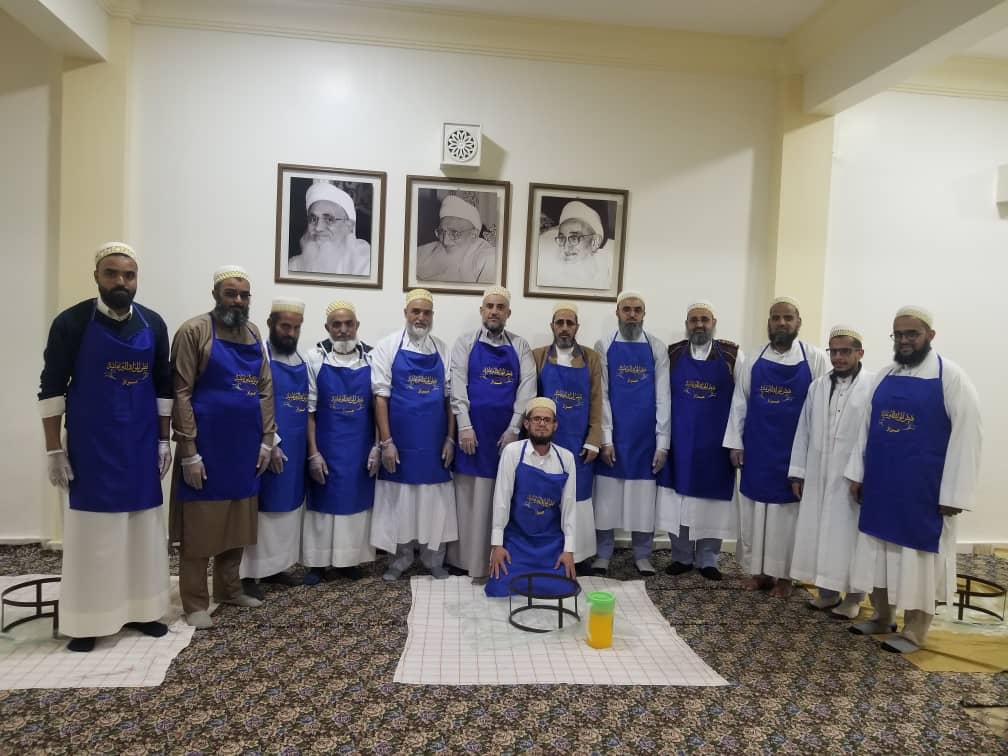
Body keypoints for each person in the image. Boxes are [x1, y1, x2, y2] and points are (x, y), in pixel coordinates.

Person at [38, 242, 172, 652]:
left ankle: (144, 611)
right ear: (96, 276)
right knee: (95, 538)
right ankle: (87, 622)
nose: (121, 282)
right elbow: (51, 387)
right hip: (91, 446)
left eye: (129, 275)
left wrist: (164, 440)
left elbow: (163, 387)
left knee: (142, 532)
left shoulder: (153, 323)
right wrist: (53, 450)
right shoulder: (72, 322)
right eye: (112, 273)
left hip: (140, 444)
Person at [846, 306, 981, 653]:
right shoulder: (885, 375)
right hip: (882, 485)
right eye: (899, 334)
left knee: (918, 563)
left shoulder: (951, 378)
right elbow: (865, 429)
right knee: (879, 556)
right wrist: (857, 474)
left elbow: (968, 437)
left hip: (923, 491)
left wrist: (954, 494)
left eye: (912, 334)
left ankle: (914, 632)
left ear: (930, 335)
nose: (904, 340)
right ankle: (882, 616)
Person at [170, 265, 275, 629]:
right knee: (200, 528)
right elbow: (181, 392)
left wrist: (267, 440)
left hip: (245, 447)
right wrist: (189, 451)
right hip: (207, 448)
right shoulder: (194, 331)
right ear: (216, 294)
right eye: (231, 293)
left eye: (244, 295)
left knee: (237, 524)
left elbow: (265, 389)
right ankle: (195, 602)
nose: (238, 300)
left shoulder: (254, 333)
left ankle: (229, 590)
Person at [724, 297, 829, 597]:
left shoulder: (814, 358)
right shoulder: (753, 358)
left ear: (798, 322)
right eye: (776, 317)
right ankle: (759, 573)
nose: (781, 323)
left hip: (794, 451)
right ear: (769, 322)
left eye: (788, 317)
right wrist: (735, 443)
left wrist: (814, 454)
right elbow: (740, 401)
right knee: (756, 513)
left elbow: (820, 407)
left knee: (787, 518)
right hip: (758, 447)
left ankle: (785, 577)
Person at [449, 286, 536, 578]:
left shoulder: (520, 346)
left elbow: (527, 389)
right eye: (490, 306)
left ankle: (498, 559)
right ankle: (466, 560)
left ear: (508, 312)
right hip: (473, 434)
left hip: (506, 435)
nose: (494, 311)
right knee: (471, 498)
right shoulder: (465, 343)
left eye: (500, 307)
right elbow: (458, 384)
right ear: (482, 311)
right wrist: (464, 426)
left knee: (503, 495)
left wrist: (514, 429)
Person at [370, 289, 457, 580]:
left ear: (432, 316)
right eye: (415, 311)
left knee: (434, 502)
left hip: (434, 441)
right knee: (400, 501)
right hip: (400, 441)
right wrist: (387, 442)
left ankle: (434, 560)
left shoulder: (443, 349)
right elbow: (380, 397)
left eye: (426, 312)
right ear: (406, 313)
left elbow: (449, 398)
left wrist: (450, 439)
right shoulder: (387, 346)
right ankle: (399, 560)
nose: (421, 317)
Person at [788, 326, 873, 618]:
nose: (838, 357)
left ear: (860, 353)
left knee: (850, 539)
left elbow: (872, 436)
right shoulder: (818, 386)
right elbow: (803, 431)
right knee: (820, 534)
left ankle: (854, 598)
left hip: (851, 477)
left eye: (844, 351)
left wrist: (863, 474)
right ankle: (827, 593)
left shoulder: (872, 386)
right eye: (833, 351)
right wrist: (798, 472)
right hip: (819, 473)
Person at [657, 301, 741, 581]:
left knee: (711, 504)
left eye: (704, 319)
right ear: (686, 324)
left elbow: (740, 401)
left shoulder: (732, 356)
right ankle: (681, 556)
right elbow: (662, 397)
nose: (699, 325)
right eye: (693, 320)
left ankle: (708, 559)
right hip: (680, 441)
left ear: (713, 322)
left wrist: (736, 442)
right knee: (678, 502)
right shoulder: (673, 354)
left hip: (715, 445)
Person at [593, 290, 670, 577]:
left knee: (643, 500)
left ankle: (643, 555)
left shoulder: (657, 347)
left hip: (645, 437)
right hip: (615, 435)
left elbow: (663, 396)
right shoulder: (603, 345)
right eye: (626, 310)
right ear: (617, 313)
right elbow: (603, 395)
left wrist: (662, 443)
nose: (632, 315)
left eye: (637, 310)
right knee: (606, 499)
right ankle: (603, 553)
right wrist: (606, 438)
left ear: (644, 314)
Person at [303, 300, 377, 583]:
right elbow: (309, 411)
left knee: (355, 502)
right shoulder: (314, 357)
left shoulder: (372, 357)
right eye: (337, 324)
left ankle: (349, 561)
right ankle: (317, 563)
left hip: (360, 446)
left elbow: (380, 405)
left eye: (349, 324)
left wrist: (377, 446)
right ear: (327, 327)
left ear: (357, 326)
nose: (343, 330)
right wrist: (313, 454)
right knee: (322, 503)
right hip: (326, 444)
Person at [239, 298, 308, 599]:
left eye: (296, 328)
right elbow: (252, 401)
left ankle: (275, 567)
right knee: (261, 511)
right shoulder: (259, 356)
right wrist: (273, 441)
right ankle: (248, 574)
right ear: (270, 324)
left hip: (297, 446)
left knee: (287, 510)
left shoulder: (301, 360)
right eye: (285, 327)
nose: (290, 333)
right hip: (266, 446)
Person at [531, 302, 603, 571]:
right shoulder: (538, 356)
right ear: (552, 326)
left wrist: (594, 438)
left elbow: (597, 400)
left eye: (569, 323)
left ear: (576, 327)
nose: (564, 328)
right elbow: (529, 397)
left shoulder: (591, 358)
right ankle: (547, 553)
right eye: (559, 323)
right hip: (545, 441)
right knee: (545, 497)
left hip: (579, 442)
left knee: (578, 498)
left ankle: (579, 556)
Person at [486, 397, 577, 597]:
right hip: (517, 540)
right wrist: (497, 546)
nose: (541, 424)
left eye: (547, 420)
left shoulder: (566, 459)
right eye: (537, 419)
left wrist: (568, 551)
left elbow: (569, 508)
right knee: (498, 588)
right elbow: (501, 500)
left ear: (555, 425)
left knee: (565, 589)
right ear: (527, 424)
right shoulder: (512, 452)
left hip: (550, 543)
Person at [289, 181, 370, 276]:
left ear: (349, 226)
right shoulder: (295, 265)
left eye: (329, 219)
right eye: (313, 219)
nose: (318, 228)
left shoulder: (366, 262)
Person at [416, 194, 495, 284]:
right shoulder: (423, 251)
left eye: (454, 232)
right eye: (441, 232)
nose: (445, 241)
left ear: (474, 234)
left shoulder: (488, 258)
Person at [536, 200, 612, 290]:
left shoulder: (609, 269)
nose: (565, 247)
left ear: (594, 243)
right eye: (562, 238)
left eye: (574, 238)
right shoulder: (549, 273)